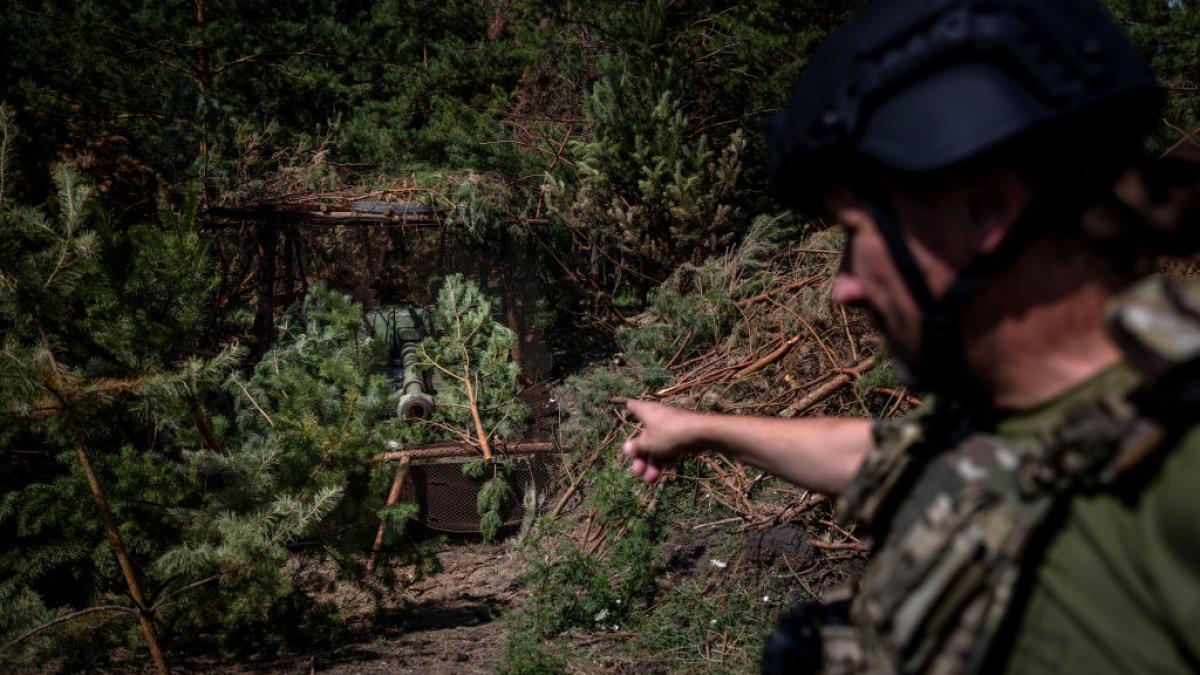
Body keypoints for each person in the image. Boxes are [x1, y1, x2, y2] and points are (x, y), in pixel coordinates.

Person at [620, 1, 1200, 673]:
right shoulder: (1022, 423)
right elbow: (879, 453)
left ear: (985, 210)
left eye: (855, 237)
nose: (845, 287)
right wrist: (695, 428)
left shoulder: (1182, 448)